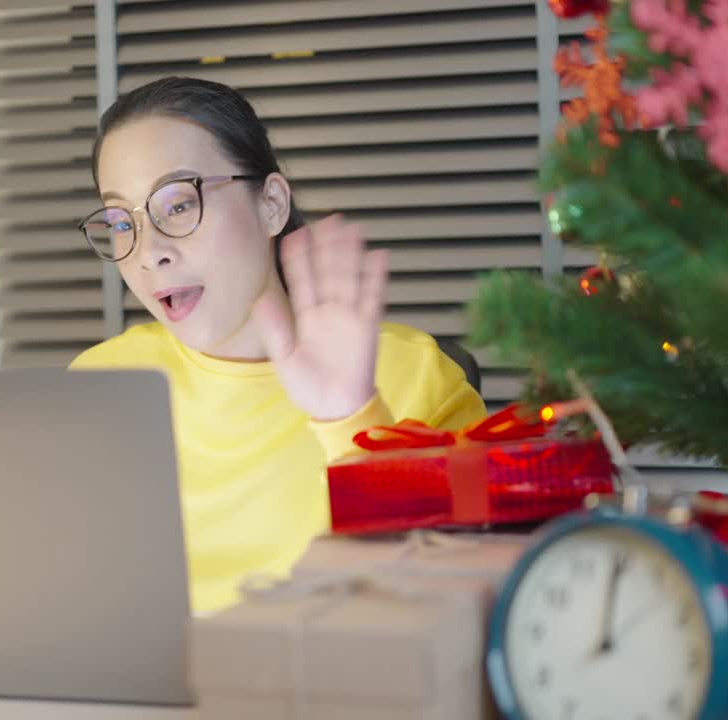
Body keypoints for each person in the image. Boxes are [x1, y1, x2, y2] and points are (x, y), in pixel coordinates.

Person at [70, 76, 486, 613]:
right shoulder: (100, 385)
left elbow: (460, 602)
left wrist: (351, 419)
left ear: (271, 203)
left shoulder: (417, 376)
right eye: (121, 222)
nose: (149, 253)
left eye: (177, 205)